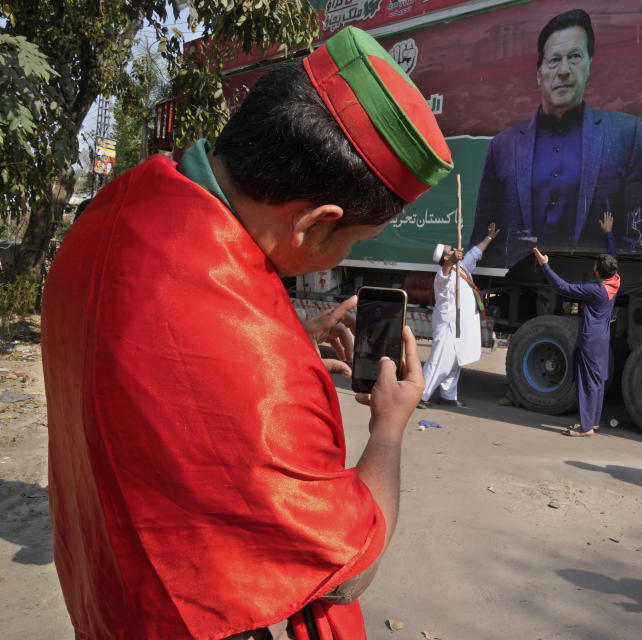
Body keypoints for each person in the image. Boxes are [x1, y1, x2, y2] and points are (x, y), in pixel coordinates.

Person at [41, 26, 453, 640]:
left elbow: (157, 356)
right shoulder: (270, 380)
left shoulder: (108, 214)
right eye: (351, 244)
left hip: (104, 598)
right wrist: (389, 430)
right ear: (315, 224)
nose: (337, 261)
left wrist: (282, 331)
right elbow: (341, 569)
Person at [468, 8, 642, 269]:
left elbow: (639, 235)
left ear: (589, 64)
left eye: (575, 57)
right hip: (520, 281)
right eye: (554, 60)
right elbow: (485, 230)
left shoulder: (624, 134)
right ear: (539, 73)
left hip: (592, 282)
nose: (564, 70)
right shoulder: (503, 146)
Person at [531, 212, 619, 436]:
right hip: (602, 338)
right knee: (597, 380)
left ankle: (586, 427)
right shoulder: (614, 281)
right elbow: (613, 255)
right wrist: (609, 233)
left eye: (594, 265)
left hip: (590, 339)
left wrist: (545, 265)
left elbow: (563, 287)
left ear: (598, 271)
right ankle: (594, 421)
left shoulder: (596, 290)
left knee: (587, 382)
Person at [417, 223, 499, 409]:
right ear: (446, 257)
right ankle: (420, 395)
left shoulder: (462, 269)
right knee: (440, 360)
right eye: (450, 250)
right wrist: (450, 261)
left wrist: (489, 238)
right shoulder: (442, 276)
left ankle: (448, 395)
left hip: (460, 325)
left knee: (455, 359)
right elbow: (445, 272)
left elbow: (475, 253)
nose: (455, 249)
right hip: (448, 325)